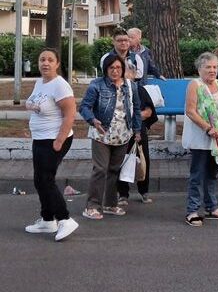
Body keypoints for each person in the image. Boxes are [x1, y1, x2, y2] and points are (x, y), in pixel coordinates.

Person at [24, 48, 79, 241]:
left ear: (57, 64)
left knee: (46, 179)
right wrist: (31, 106)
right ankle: (47, 220)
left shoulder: (60, 85)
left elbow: (70, 114)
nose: (45, 63)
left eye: (50, 60)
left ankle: (65, 219)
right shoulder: (40, 82)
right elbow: (32, 103)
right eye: (42, 60)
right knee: (40, 180)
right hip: (40, 138)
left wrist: (59, 140)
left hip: (54, 139)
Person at [80, 55, 142, 220]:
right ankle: (92, 206)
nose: (115, 71)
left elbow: (136, 109)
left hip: (123, 134)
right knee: (100, 169)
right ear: (105, 69)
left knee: (114, 169)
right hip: (102, 133)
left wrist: (137, 130)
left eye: (118, 68)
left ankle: (110, 204)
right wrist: (93, 120)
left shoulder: (131, 86)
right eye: (111, 68)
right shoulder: (97, 85)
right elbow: (84, 107)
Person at [182, 52, 218, 226]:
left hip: (217, 137)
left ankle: (211, 207)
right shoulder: (194, 84)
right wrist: (207, 128)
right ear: (200, 69)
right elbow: (190, 111)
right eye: (208, 67)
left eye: (214, 67)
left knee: (212, 174)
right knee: (197, 175)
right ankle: (192, 210)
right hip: (200, 137)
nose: (212, 70)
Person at [117, 62, 158, 206]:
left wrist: (133, 117)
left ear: (134, 75)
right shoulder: (117, 90)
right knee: (121, 160)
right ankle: (123, 194)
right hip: (120, 131)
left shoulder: (140, 90)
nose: (126, 75)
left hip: (138, 129)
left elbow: (149, 112)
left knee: (143, 159)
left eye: (129, 72)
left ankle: (144, 191)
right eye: (124, 72)